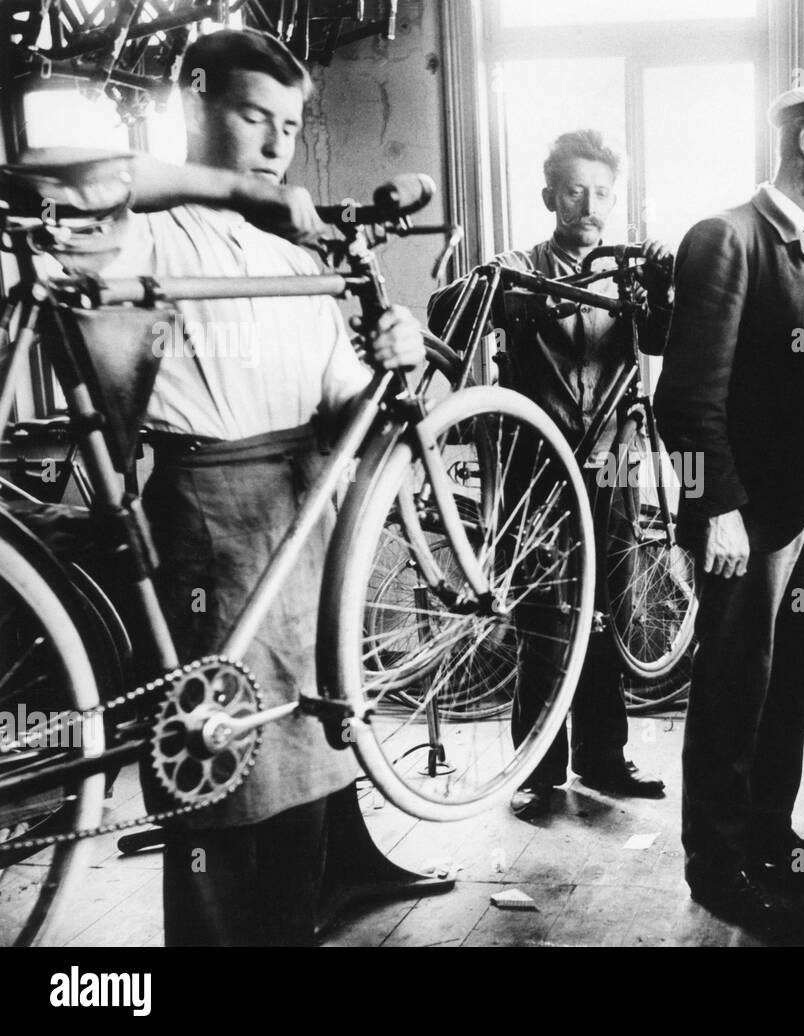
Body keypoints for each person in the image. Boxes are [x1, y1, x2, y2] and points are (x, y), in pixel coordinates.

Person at [100, 28, 425, 945]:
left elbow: (355, 408)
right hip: (208, 527)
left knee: (307, 797)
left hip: (304, 533)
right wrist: (237, 189)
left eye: (292, 125)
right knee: (212, 795)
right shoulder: (142, 235)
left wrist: (395, 361)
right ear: (193, 106)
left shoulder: (296, 261)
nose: (280, 146)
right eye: (255, 118)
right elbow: (81, 176)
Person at [653, 79, 804, 929]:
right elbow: (682, 399)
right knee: (731, 690)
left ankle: (771, 839)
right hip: (743, 517)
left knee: (792, 680)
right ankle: (715, 865)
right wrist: (714, 505)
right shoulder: (727, 237)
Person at [429, 130, 674, 819]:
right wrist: (513, 295)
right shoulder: (517, 263)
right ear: (549, 197)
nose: (590, 205)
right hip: (539, 467)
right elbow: (447, 312)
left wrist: (659, 283)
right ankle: (536, 768)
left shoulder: (626, 271)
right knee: (545, 618)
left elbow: (660, 340)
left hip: (613, 465)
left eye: (602, 193)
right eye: (575, 191)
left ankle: (604, 756)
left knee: (605, 613)